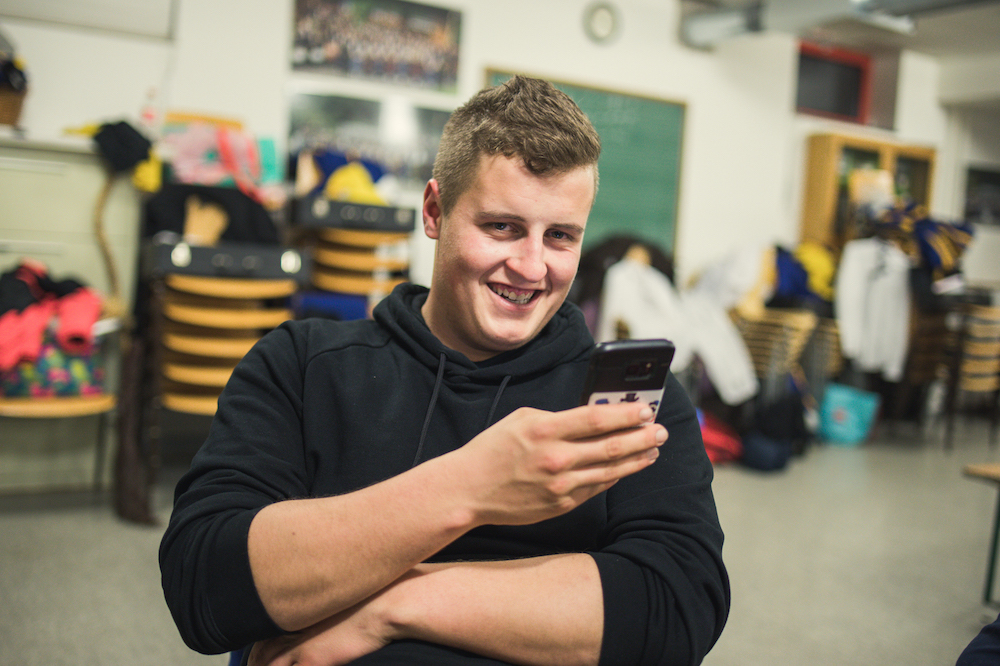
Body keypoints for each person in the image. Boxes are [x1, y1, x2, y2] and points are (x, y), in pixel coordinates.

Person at [160, 75, 729, 666]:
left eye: (560, 236)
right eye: (502, 227)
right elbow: (203, 585)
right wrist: (473, 485)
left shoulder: (629, 406)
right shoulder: (302, 365)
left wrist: (391, 608)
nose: (532, 267)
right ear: (435, 211)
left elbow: (677, 609)